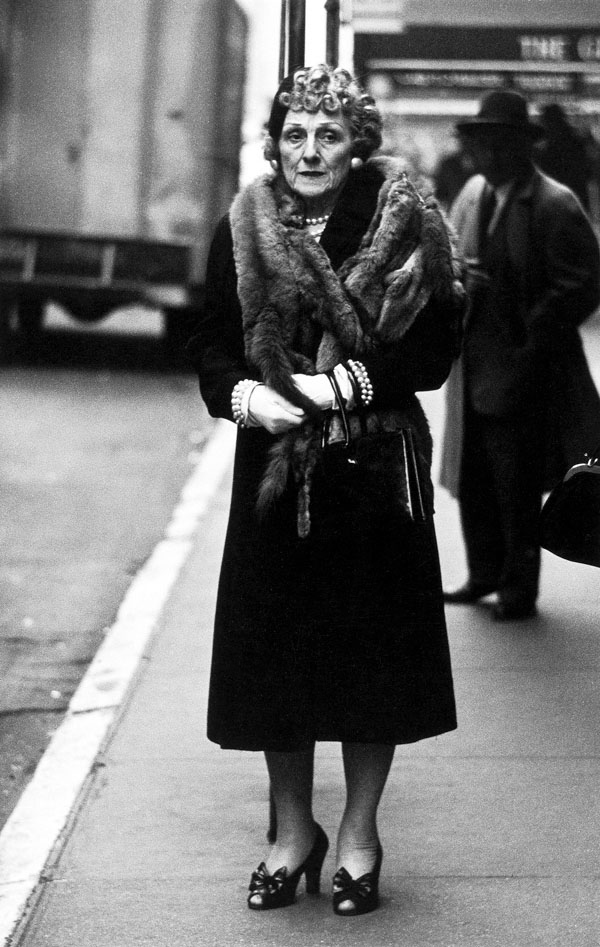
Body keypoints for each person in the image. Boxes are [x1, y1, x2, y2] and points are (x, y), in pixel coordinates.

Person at [186, 64, 464, 917]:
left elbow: (432, 348)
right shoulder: (242, 224)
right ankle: (292, 831)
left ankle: (360, 834)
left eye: (328, 134)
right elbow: (209, 345)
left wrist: (331, 390)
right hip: (274, 477)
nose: (308, 150)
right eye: (294, 133)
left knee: (370, 659)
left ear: (357, 146)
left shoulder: (410, 224)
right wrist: (245, 397)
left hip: (373, 473)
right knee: (277, 659)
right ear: (275, 141)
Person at [440, 90, 600, 621]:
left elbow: (584, 282)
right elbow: (448, 262)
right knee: (475, 480)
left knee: (516, 486)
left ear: (519, 147)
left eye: (496, 144)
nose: (485, 155)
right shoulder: (473, 194)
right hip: (475, 365)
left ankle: (517, 587)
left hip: (527, 367)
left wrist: (538, 323)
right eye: (481, 144)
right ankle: (483, 573)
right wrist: (464, 279)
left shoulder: (554, 203)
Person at [534, 102, 593, 211]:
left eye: (544, 121)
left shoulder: (547, 147)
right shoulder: (577, 141)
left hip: (556, 203)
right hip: (577, 201)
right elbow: (588, 172)